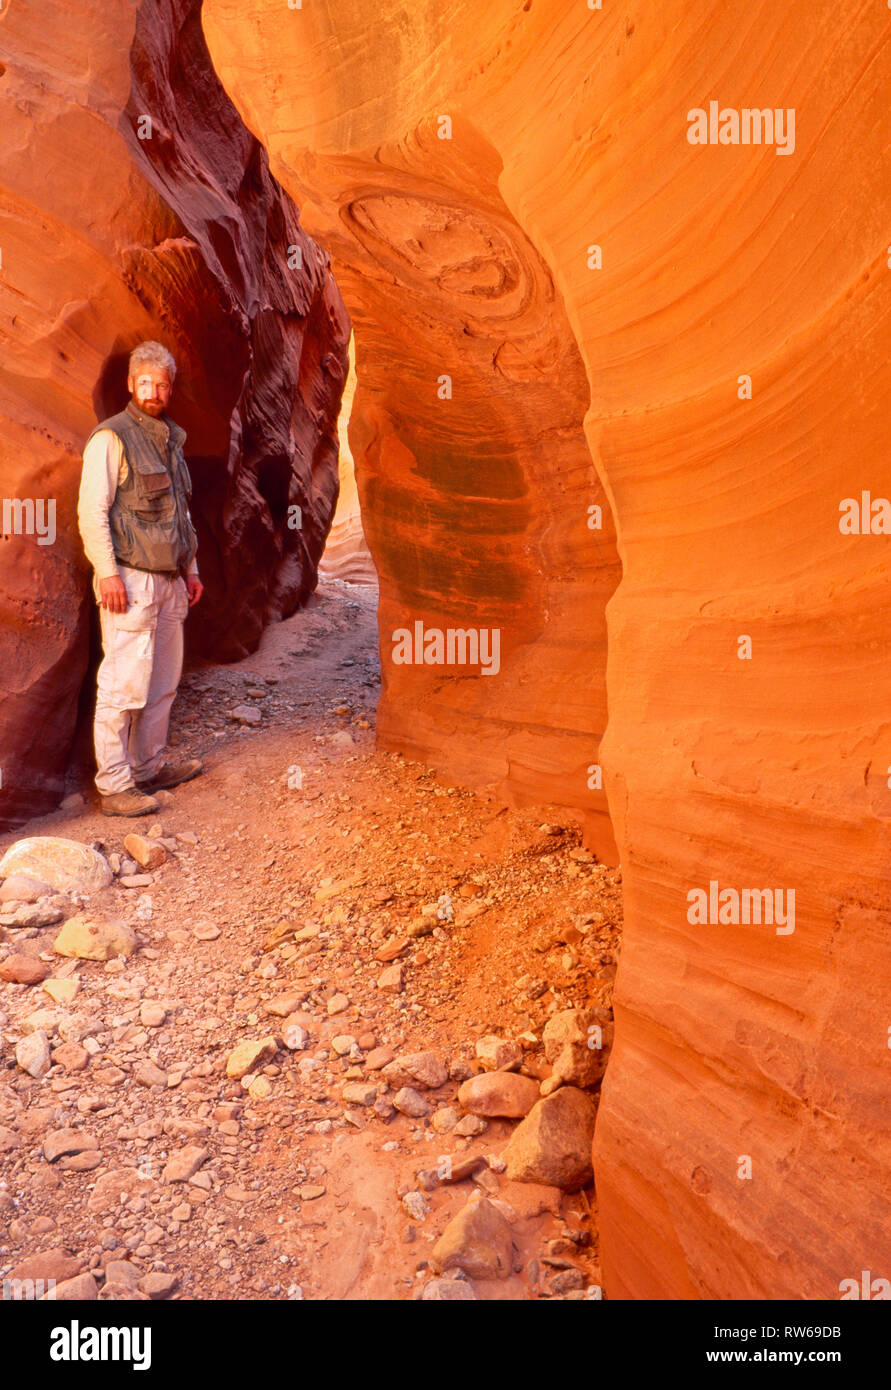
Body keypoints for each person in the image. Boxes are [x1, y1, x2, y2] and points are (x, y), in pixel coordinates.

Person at [77, 341, 205, 816]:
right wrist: (107, 574)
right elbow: (92, 512)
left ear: (170, 389)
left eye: (162, 384)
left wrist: (190, 570)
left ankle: (148, 768)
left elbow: (182, 515)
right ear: (132, 385)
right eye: (145, 382)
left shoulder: (171, 439)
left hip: (170, 582)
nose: (154, 391)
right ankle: (113, 786)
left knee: (161, 684)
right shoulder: (110, 438)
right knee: (122, 686)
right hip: (129, 581)